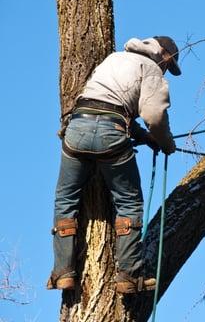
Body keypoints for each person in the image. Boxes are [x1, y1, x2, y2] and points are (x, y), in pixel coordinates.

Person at [47, 36, 180, 294]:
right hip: (111, 135)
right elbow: (155, 116)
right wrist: (165, 143)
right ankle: (129, 275)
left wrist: (142, 136)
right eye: (169, 65)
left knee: (65, 199)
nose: (166, 70)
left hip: (77, 128)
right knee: (129, 202)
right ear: (163, 55)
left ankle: (63, 272)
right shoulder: (151, 69)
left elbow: (104, 104)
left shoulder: (115, 58)